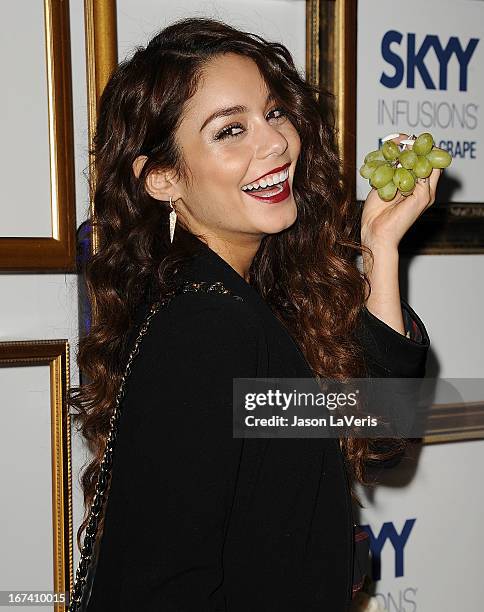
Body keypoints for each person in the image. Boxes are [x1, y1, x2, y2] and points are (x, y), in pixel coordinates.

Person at [69, 16, 438, 611]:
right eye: (230, 130)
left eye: (272, 113)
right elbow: (159, 587)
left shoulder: (241, 300)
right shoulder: (207, 327)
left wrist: (380, 247)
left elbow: (379, 434)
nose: (273, 144)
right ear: (162, 178)